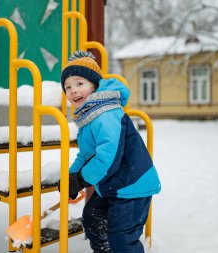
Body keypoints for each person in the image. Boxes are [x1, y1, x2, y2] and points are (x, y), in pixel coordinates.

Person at [58, 50, 161, 253]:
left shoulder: (106, 114)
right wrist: (71, 176)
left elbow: (108, 158)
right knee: (92, 218)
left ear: (94, 86)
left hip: (131, 185)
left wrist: (81, 179)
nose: (73, 91)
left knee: (122, 239)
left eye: (80, 84)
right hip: (113, 184)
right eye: (68, 87)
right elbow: (86, 155)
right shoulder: (89, 118)